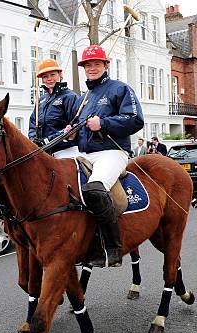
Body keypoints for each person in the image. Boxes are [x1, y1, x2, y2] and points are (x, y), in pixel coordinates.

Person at [75, 45, 144, 267]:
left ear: (106, 65)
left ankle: (114, 250)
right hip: (85, 154)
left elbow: (135, 119)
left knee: (95, 188)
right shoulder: (84, 97)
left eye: (96, 63)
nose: (91, 68)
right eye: (88, 65)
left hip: (112, 153)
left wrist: (103, 123)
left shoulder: (120, 89)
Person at [28, 59, 80, 159]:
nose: (49, 79)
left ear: (60, 74)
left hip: (65, 151)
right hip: (43, 152)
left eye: (52, 75)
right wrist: (33, 139)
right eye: (45, 76)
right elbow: (33, 123)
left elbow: (74, 126)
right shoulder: (41, 100)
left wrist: (47, 140)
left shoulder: (70, 97)